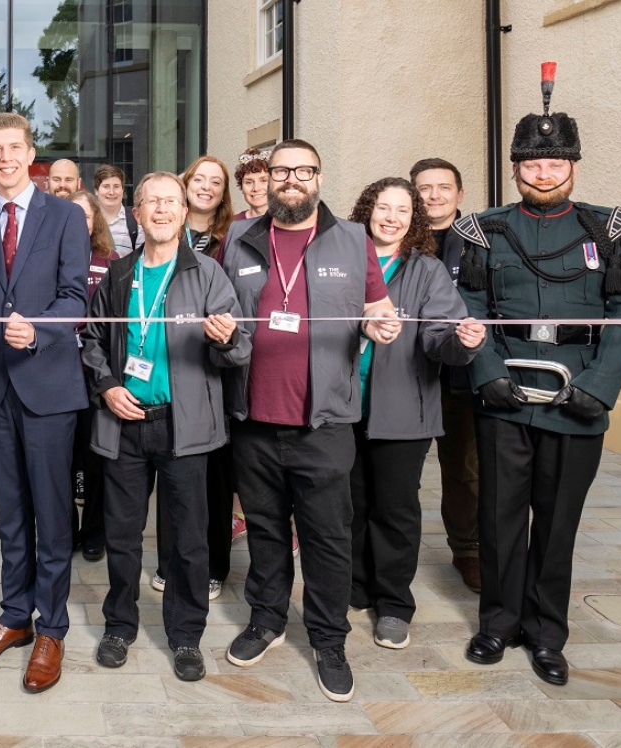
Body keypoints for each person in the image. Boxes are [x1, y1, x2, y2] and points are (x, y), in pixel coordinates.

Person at [456, 65, 621, 687]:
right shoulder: (484, 229)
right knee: (500, 517)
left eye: (554, 164)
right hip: (505, 391)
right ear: (515, 170)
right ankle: (498, 623)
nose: (543, 174)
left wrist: (599, 386)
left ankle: (545, 634)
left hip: (577, 393)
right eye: (531, 165)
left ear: (573, 167)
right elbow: (470, 311)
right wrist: (483, 372)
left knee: (558, 521)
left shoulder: (608, 232)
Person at [218, 138, 400, 703]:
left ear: (319, 178)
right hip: (253, 418)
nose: (292, 179)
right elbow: (220, 308)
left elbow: (377, 307)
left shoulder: (352, 239)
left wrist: (381, 326)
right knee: (267, 530)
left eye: (304, 170)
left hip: (324, 422)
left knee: (326, 537)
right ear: (266, 179)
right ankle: (267, 621)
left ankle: (328, 640)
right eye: (281, 171)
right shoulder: (239, 238)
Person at [80, 172, 249, 682]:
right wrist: (108, 384)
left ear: (182, 213)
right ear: (136, 213)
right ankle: (119, 626)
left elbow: (239, 349)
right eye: (150, 202)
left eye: (169, 202)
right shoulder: (118, 273)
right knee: (124, 535)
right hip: (125, 423)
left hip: (185, 427)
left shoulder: (209, 273)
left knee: (189, 541)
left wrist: (224, 340)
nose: (160, 210)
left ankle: (185, 636)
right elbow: (91, 338)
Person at [0, 112, 90, 694]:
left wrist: (37, 329)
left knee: (52, 513)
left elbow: (76, 297)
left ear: (30, 154)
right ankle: (14, 617)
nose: (5, 158)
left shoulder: (65, 216)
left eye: (15, 148)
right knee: (9, 510)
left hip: (49, 386)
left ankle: (52, 627)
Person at [344, 178, 486, 650]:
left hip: (402, 410)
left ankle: (393, 604)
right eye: (383, 207)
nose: (391, 217)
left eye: (402, 210)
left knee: (395, 509)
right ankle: (356, 585)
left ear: (414, 219)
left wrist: (459, 341)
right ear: (367, 211)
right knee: (352, 504)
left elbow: (438, 336)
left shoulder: (426, 270)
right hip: (342, 407)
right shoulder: (343, 262)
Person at [153, 154, 236, 601]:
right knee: (173, 474)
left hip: (211, 369)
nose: (206, 187)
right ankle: (170, 561)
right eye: (198, 179)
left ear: (224, 194)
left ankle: (212, 566)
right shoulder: (160, 229)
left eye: (216, 182)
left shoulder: (231, 239)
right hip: (167, 373)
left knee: (214, 479)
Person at [411, 157, 482, 594]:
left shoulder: (483, 240)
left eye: (443, 187)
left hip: (461, 376)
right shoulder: (398, 238)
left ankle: (468, 551)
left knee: (464, 470)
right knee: (400, 472)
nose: (434, 195)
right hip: (408, 375)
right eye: (424, 188)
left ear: (460, 194)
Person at [66, 191, 115, 562]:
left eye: (84, 215)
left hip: (97, 372)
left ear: (95, 219)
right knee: (62, 457)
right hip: (56, 372)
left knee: (95, 456)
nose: (78, 221)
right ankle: (66, 526)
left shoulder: (110, 261)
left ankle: (94, 529)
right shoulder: (46, 257)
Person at [94, 164, 138, 257]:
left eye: (116, 186)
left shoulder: (135, 220)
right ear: (96, 190)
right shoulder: (88, 219)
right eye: (106, 186)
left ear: (122, 190)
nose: (111, 192)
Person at [234, 147, 271, 220]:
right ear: (241, 186)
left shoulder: (289, 223)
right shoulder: (230, 225)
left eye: (263, 181)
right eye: (249, 182)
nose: (256, 188)